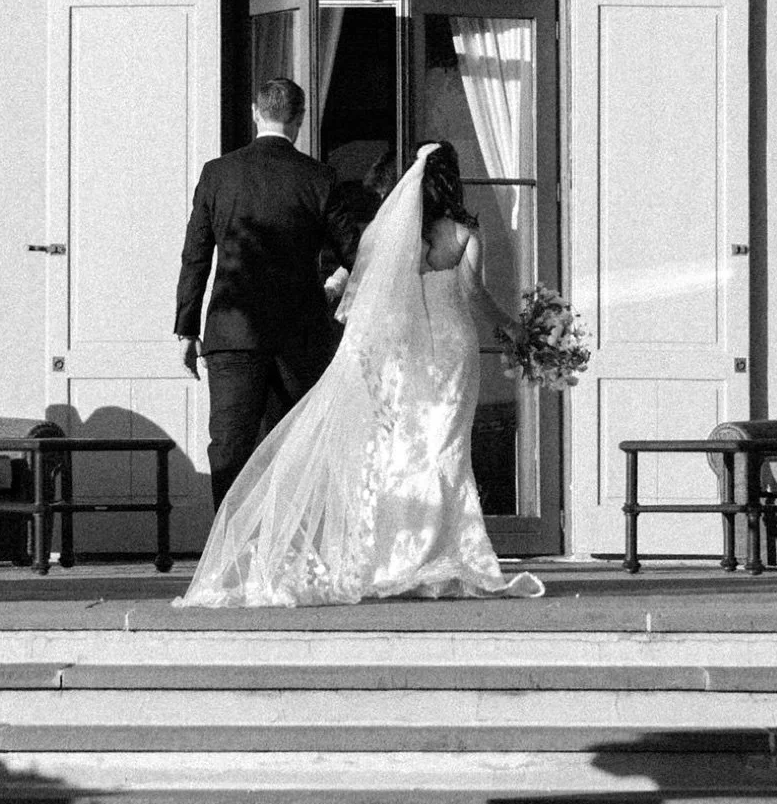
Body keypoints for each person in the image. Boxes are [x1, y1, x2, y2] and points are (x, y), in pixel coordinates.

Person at [179, 139, 544, 608]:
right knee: (445, 448)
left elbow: (360, 288)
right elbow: (475, 295)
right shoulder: (464, 232)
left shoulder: (384, 233)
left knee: (398, 449)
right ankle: (442, 552)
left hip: (401, 353)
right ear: (452, 180)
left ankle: (395, 554)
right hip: (453, 351)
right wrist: (516, 329)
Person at [175, 74, 345, 517]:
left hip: (233, 333)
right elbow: (356, 251)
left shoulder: (218, 174)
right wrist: (332, 289)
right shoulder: (319, 177)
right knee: (297, 442)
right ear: (301, 119)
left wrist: (186, 328)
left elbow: (196, 254)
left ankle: (229, 550)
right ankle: (291, 547)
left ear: (255, 112)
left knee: (230, 447)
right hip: (300, 336)